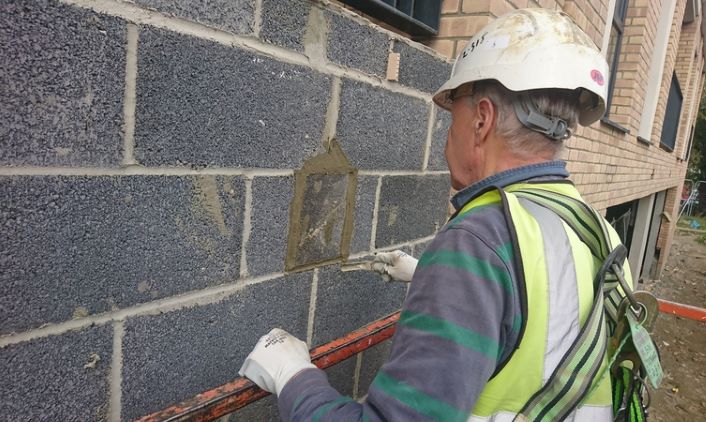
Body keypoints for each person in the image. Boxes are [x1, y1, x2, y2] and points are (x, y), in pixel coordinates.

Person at [239, 8, 634, 421]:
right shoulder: (599, 233)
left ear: (482, 119)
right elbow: (542, 324)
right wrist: (437, 278)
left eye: (453, 117)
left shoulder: (478, 243)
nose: (447, 135)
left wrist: (293, 375)